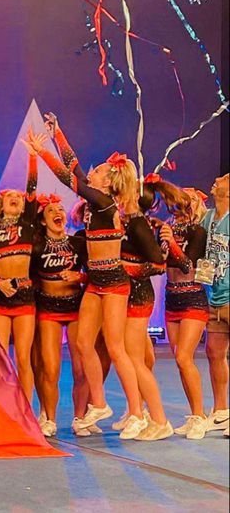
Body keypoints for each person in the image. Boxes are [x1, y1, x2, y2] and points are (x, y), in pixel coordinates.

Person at [29, 118, 146, 440]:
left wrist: (43, 152)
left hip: (114, 281)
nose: (91, 172)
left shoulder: (104, 202)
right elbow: (75, 168)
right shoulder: (97, 200)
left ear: (107, 182)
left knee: (116, 346)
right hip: (95, 281)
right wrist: (59, 134)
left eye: (98, 171)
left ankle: (136, 411)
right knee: (82, 344)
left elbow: (70, 177)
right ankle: (100, 403)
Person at [0, 136, 42, 400]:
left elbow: (31, 188)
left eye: (18, 196)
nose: (15, 198)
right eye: (9, 197)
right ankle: (2, 407)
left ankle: (25, 409)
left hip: (25, 297)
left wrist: (33, 157)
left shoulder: (28, 225)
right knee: (0, 356)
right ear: (1, 205)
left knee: (24, 358)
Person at [31, 194, 88, 437]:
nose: (58, 213)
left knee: (80, 368)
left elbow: (95, 273)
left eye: (61, 209)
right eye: (51, 210)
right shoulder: (37, 245)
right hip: (47, 308)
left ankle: (80, 417)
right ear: (43, 221)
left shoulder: (78, 243)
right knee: (51, 368)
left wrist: (79, 277)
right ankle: (49, 418)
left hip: (76, 306)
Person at [118, 181, 171, 440]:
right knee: (138, 357)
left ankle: (160, 420)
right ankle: (139, 411)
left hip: (138, 295)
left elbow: (158, 264)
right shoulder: (129, 222)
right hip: (128, 294)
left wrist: (128, 270)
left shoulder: (139, 224)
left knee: (134, 359)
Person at [158, 184, 210, 439]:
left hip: (193, 298)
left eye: (186, 199)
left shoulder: (198, 232)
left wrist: (171, 243)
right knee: (180, 361)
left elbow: (188, 263)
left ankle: (200, 416)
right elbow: (159, 262)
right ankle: (194, 415)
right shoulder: (168, 229)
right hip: (172, 298)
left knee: (183, 358)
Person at [201, 172, 229, 436]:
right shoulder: (208, 218)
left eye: (222, 179)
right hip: (215, 297)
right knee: (213, 353)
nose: (216, 179)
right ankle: (221, 410)